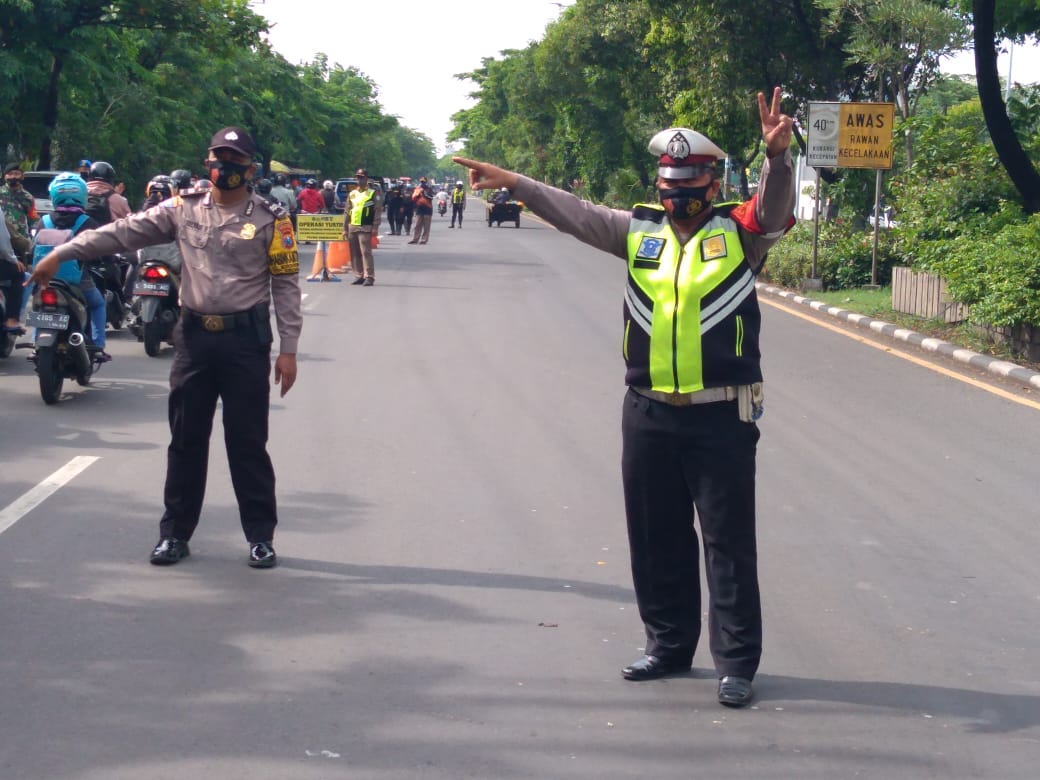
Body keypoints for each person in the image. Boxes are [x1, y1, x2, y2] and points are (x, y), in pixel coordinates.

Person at [453, 88, 795, 709]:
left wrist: (777, 158)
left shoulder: (742, 234)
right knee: (655, 535)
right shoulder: (637, 231)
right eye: (669, 183)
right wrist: (515, 183)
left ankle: (736, 664)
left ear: (713, 184)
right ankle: (668, 645)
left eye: (690, 183)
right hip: (647, 411)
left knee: (726, 543)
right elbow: (574, 212)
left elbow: (774, 211)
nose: (678, 194)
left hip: (721, 413)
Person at [28, 126, 302, 570]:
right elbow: (121, 233)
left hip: (245, 342)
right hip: (194, 339)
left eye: (235, 159)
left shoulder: (272, 218)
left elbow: (286, 284)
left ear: (250, 169)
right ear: (207, 161)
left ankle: (260, 538)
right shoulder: (182, 207)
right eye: (219, 157)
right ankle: (174, 534)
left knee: (248, 443)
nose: (225, 166)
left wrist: (288, 348)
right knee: (186, 439)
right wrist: (62, 254)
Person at [342, 167, 381, 286]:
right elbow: (347, 211)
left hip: (365, 226)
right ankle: (358, 275)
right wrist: (344, 228)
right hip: (353, 226)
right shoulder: (352, 194)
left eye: (362, 178)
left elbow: (377, 210)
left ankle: (369, 276)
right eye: (358, 178)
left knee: (366, 252)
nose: (359, 180)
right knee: (354, 253)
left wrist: (375, 226)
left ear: (366, 178)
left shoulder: (372, 193)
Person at [0, 163, 38, 252]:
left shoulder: (28, 197)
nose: (13, 177)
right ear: (4, 176)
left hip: (21, 240)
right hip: (2, 239)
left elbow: (33, 219)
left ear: (22, 176)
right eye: (10, 174)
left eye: (16, 174)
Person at [408, 176, 434, 245]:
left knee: (426, 226)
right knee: (417, 225)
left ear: (426, 182)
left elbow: (431, 197)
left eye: (423, 182)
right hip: (419, 209)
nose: (422, 183)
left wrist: (424, 193)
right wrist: (417, 194)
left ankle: (424, 240)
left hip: (428, 209)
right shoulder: (417, 189)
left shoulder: (429, 189)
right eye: (421, 182)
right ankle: (415, 239)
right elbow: (413, 198)